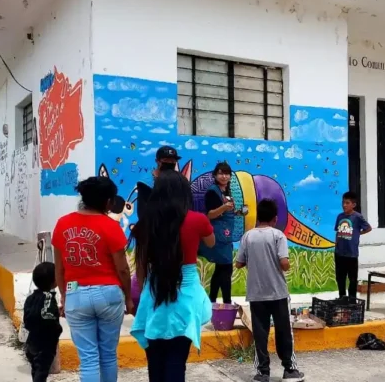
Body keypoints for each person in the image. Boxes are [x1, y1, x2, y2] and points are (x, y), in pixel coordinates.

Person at [129, 170, 216, 382]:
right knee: (177, 362)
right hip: (186, 298)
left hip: (153, 295)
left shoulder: (145, 224)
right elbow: (211, 243)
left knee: (155, 363)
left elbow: (140, 268)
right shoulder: (198, 220)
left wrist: (138, 298)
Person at [52, 176, 134, 382]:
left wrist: (64, 297)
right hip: (108, 294)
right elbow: (123, 269)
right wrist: (129, 297)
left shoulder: (62, 224)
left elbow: (59, 269)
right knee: (107, 355)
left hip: (76, 294)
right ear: (107, 202)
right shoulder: (110, 226)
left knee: (88, 359)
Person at [235, 199, 305, 382]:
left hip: (256, 294)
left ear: (258, 217)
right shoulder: (278, 236)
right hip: (278, 292)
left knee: (260, 332)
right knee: (284, 330)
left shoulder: (247, 237)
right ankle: (289, 370)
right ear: (274, 218)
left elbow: (239, 263)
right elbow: (284, 263)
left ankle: (262, 372)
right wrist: (287, 264)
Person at [202, 162, 246, 304]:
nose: (224, 176)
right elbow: (209, 215)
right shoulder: (212, 192)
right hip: (219, 235)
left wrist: (239, 212)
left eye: (227, 173)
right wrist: (223, 207)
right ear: (215, 175)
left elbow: (227, 212)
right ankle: (227, 302)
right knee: (226, 268)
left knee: (220, 269)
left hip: (227, 235)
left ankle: (212, 301)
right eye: (221, 173)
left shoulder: (227, 191)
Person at [23, 262, 62, 382]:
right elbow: (47, 317)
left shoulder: (31, 298)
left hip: (31, 341)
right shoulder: (49, 298)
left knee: (36, 369)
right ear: (54, 281)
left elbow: (29, 317)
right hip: (45, 343)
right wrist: (57, 329)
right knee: (42, 371)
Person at [333, 191, 371, 300]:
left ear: (353, 205)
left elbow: (368, 228)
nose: (344, 205)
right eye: (343, 203)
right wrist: (336, 245)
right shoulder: (340, 216)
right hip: (339, 252)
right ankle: (342, 297)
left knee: (352, 278)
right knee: (340, 277)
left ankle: (352, 300)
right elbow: (338, 232)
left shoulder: (357, 217)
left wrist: (358, 233)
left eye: (347, 203)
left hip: (352, 253)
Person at [136, 146, 181, 217]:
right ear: (157, 161)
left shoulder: (180, 180)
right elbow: (142, 212)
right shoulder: (145, 183)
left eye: (172, 161)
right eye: (166, 160)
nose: (170, 163)